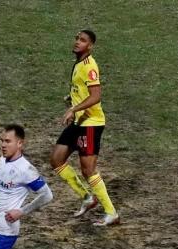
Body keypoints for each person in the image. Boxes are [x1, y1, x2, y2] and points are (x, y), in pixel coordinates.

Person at [50, 28, 119, 228]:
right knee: (56, 159)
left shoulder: (90, 66)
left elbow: (96, 96)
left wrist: (74, 108)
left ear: (90, 46)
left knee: (89, 170)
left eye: (82, 40)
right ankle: (87, 197)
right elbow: (82, 90)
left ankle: (111, 213)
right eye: (76, 39)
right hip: (79, 121)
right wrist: (72, 99)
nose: (77, 42)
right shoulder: (78, 63)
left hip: (90, 124)